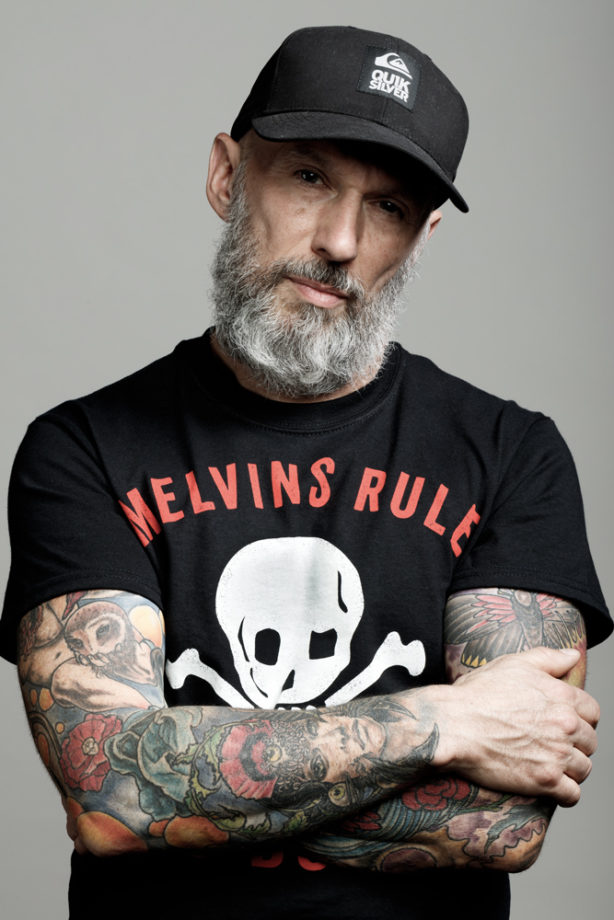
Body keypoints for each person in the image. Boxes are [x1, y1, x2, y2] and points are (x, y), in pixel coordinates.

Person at [0, 24, 611, 920]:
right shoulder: (83, 449)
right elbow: (110, 794)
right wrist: (444, 723)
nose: (340, 240)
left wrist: (188, 789)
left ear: (422, 236)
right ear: (226, 176)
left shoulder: (513, 455)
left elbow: (504, 825)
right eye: (309, 177)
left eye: (389, 206)